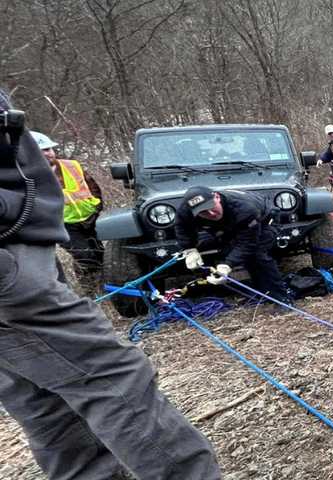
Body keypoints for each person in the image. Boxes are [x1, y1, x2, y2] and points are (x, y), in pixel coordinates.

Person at [0, 89, 221, 479]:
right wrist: (192, 254)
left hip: (27, 240)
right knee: (113, 380)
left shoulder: (241, 206)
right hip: (12, 258)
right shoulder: (186, 207)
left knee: (47, 404)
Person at [175, 185, 292, 304]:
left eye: (211, 207)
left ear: (217, 197)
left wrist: (227, 265)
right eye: (203, 212)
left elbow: (247, 244)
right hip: (229, 226)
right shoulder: (186, 210)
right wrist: (189, 249)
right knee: (234, 252)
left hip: (265, 220)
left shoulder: (245, 208)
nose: (211, 213)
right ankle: (261, 293)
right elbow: (182, 228)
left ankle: (281, 298)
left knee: (257, 255)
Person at [30, 131, 104, 293]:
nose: (47, 153)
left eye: (48, 149)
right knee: (85, 256)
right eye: (41, 150)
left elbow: (93, 187)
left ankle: (99, 286)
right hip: (63, 225)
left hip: (90, 218)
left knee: (99, 255)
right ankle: (89, 290)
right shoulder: (30, 176)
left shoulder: (72, 165)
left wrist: (97, 208)